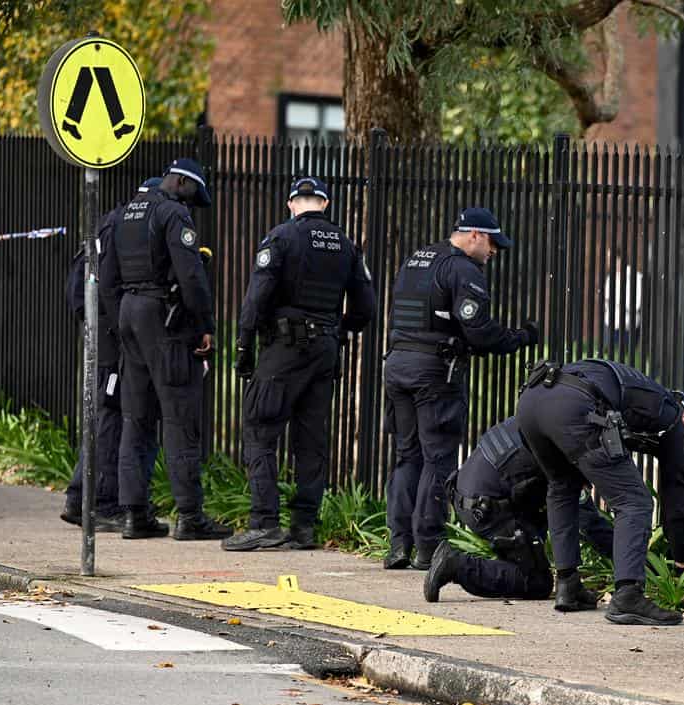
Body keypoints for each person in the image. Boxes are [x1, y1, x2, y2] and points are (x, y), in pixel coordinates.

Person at [223, 176, 376, 551]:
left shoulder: (281, 238)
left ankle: (264, 522)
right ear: (324, 204)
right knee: (311, 439)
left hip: (284, 349)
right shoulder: (346, 245)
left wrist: (244, 346)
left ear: (292, 204)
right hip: (324, 350)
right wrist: (336, 330)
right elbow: (366, 308)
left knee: (260, 428)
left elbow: (257, 298)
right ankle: (304, 527)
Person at [383, 207, 538, 570]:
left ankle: (398, 544)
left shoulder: (417, 259)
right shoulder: (463, 269)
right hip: (435, 372)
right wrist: (520, 338)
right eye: (493, 244)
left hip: (398, 365)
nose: (494, 252)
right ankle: (429, 545)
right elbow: (478, 330)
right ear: (475, 236)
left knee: (407, 456)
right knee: (437, 457)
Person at [99, 157, 230, 541]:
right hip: (164, 321)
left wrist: (121, 321)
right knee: (179, 417)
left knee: (135, 419)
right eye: (193, 197)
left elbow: (108, 280)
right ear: (184, 185)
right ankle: (190, 516)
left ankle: (134, 516)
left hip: (129, 317)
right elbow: (191, 276)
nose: (191, 206)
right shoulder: (172, 214)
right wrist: (204, 325)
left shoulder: (125, 214)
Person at [516, 358, 684, 626]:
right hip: (573, 405)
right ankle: (628, 596)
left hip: (530, 402)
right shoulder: (672, 414)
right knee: (634, 501)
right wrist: (681, 558)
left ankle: (568, 585)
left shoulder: (641, 391)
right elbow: (678, 493)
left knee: (562, 487)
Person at [61, 177, 162, 531]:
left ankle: (80, 496)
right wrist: (119, 328)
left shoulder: (108, 222)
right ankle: (101, 501)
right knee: (113, 415)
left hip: (101, 330)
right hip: (111, 333)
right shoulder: (125, 226)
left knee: (106, 411)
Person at [423, 416, 615, 602]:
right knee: (536, 582)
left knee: (547, 510)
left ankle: (512, 561)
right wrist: (633, 565)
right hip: (487, 508)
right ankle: (456, 565)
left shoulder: (543, 415)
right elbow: (589, 523)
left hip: (474, 494)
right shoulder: (568, 445)